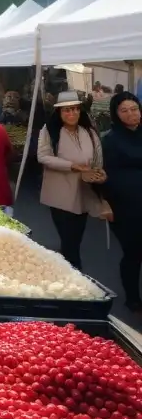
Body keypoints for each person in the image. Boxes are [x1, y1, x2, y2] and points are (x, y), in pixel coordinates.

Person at [37, 91, 108, 270]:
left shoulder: (89, 131)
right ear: (59, 112)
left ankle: (67, 270)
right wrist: (73, 166)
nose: (72, 114)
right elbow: (43, 157)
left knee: (75, 237)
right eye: (67, 110)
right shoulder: (49, 130)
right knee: (69, 239)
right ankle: (75, 273)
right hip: (59, 193)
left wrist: (99, 174)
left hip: (84, 191)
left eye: (75, 109)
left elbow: (98, 159)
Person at [102, 92, 142, 311]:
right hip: (124, 206)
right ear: (116, 114)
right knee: (133, 251)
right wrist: (105, 202)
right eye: (124, 110)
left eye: (134, 109)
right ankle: (133, 297)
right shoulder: (109, 140)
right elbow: (102, 174)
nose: (131, 114)